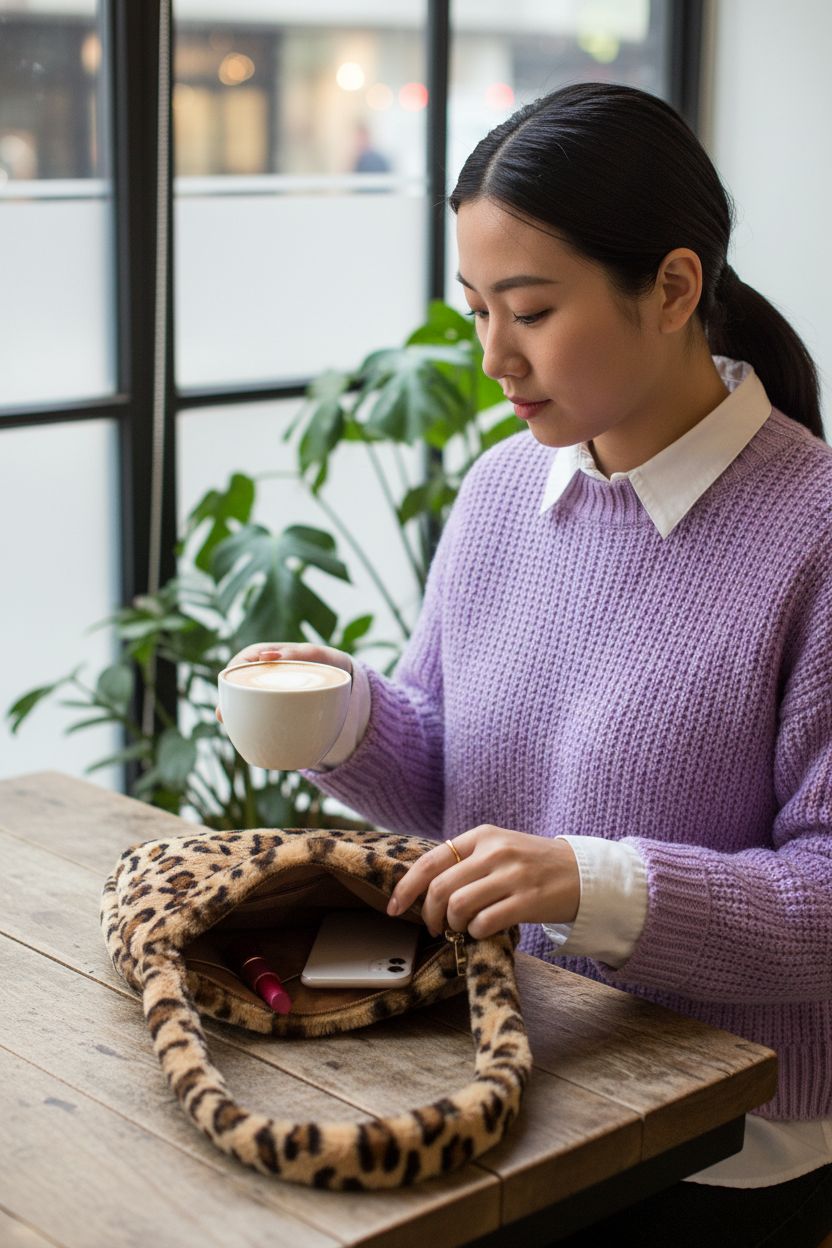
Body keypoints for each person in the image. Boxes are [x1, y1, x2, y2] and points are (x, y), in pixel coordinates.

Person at [223, 83, 832, 1246]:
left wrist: (591, 883)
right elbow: (462, 780)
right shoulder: (503, 488)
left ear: (673, 288)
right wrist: (345, 716)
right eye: (476, 309)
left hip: (716, 1146)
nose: (494, 355)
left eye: (532, 311)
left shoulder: (812, 535)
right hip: (498, 1084)